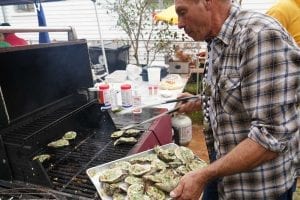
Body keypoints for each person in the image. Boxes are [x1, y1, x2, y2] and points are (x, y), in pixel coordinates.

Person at [170, 0, 300, 199]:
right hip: (222, 170)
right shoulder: (215, 39)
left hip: (258, 188)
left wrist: (204, 174)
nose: (179, 23)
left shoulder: (259, 36)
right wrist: (199, 99)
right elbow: (232, 95)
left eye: (182, 12)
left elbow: (271, 135)